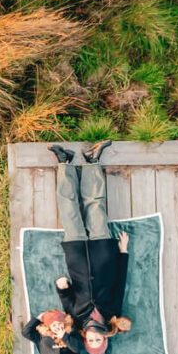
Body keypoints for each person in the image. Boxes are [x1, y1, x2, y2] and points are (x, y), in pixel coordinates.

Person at [50, 143, 133, 338]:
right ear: (105, 335)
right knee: (95, 207)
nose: (93, 337)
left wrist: (62, 286)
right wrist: (123, 251)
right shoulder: (113, 312)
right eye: (98, 340)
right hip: (104, 254)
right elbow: (120, 282)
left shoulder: (76, 317)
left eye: (91, 340)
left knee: (68, 210)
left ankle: (65, 163)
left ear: (85, 337)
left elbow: (65, 296)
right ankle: (92, 161)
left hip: (76, 256)